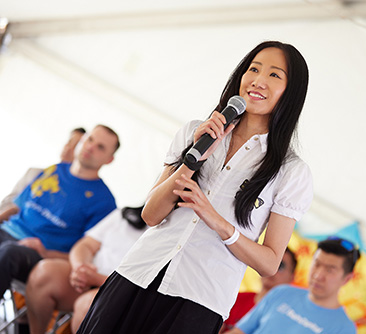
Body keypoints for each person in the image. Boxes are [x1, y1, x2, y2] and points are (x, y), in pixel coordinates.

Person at [77, 40, 313, 334]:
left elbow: (270, 263)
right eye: (254, 69)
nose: (258, 80)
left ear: (291, 93)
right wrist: (194, 157)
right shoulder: (194, 132)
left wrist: (216, 220)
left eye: (274, 75)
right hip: (137, 273)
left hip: (198, 300)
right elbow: (151, 216)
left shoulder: (290, 171)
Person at [0, 124, 119, 298]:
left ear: (109, 159)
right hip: (7, 233)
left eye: (100, 147)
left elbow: (88, 253)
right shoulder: (54, 170)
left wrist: (45, 253)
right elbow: (18, 206)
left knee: (8, 252)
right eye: (90, 139)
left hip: (38, 255)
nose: (91, 147)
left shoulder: (105, 202)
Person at [25, 205, 147, 334]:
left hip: (118, 293)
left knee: (88, 305)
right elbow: (86, 245)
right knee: (44, 271)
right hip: (87, 277)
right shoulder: (123, 215)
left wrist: (97, 279)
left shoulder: (164, 235)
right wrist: (80, 268)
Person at [226, 237, 360, 334]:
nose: (318, 275)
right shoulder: (281, 293)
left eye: (330, 270)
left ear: (347, 278)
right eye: (317, 264)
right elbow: (239, 331)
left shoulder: (344, 328)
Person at [0, 127, 86, 222]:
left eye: (76, 146)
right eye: (69, 142)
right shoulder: (34, 173)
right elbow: (7, 203)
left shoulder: (78, 196)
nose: (68, 147)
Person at [220, 247, 297, 332]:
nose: (273, 270)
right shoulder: (235, 299)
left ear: (291, 277)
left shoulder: (290, 316)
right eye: (269, 263)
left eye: (280, 266)